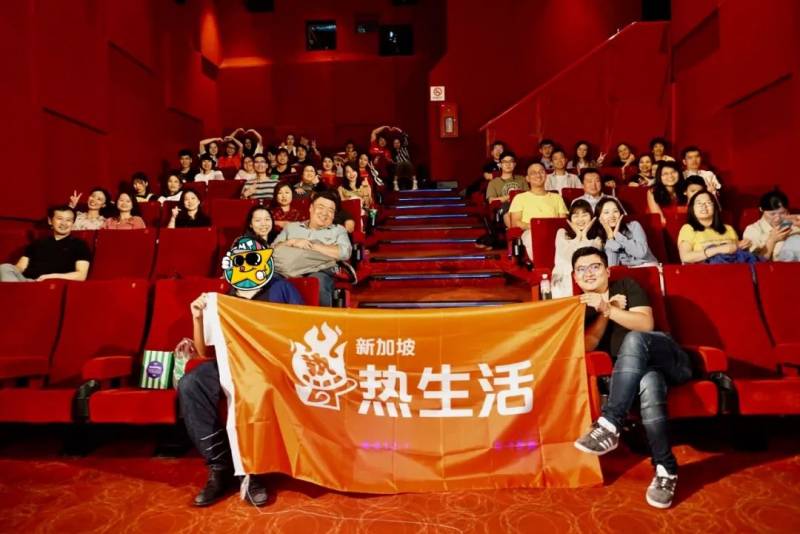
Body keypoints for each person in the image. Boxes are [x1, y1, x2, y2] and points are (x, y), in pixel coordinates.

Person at [180, 237, 303, 508]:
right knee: (191, 383)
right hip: (230, 363)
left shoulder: (283, 288)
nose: (246, 262)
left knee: (251, 389)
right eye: (239, 256)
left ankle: (251, 470)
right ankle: (220, 465)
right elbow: (204, 352)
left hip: (270, 365)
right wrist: (197, 317)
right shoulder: (224, 298)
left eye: (253, 256)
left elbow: (301, 329)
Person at [571, 246, 691, 509]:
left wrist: (609, 308)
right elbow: (588, 345)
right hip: (637, 376)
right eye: (581, 269)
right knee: (649, 382)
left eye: (595, 266)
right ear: (575, 277)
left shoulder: (626, 285)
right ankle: (666, 469)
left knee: (636, 339)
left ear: (607, 270)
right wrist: (605, 310)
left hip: (667, 357)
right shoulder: (581, 308)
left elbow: (645, 325)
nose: (588, 273)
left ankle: (610, 423)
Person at [272, 191, 354, 306]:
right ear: (311, 208)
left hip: (318, 271)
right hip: (284, 270)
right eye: (321, 207)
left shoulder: (338, 230)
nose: (325, 213)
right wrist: (292, 242)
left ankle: (321, 317)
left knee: (317, 282)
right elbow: (273, 250)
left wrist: (312, 245)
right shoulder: (292, 227)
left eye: (330, 210)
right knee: (268, 280)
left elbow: (344, 252)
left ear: (334, 215)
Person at [0, 205, 91, 282]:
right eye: (59, 219)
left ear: (73, 223)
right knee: (4, 268)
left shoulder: (80, 245)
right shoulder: (37, 243)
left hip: (52, 284)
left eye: (68, 220)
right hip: (26, 282)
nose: (64, 223)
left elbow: (81, 275)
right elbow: (20, 267)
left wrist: (50, 277)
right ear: (50, 221)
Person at [508, 162, 568, 261]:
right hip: (531, 231)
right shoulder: (519, 198)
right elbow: (515, 222)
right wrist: (536, 227)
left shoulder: (557, 197)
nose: (538, 175)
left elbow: (563, 221)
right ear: (527, 178)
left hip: (554, 232)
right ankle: (541, 267)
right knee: (532, 238)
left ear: (546, 175)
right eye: (533, 173)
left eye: (541, 172)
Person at [677, 190, 752, 264]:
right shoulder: (688, 229)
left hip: (732, 268)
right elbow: (685, 257)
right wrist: (720, 249)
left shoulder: (728, 229)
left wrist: (742, 245)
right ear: (692, 208)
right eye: (699, 203)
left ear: (715, 206)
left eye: (708, 203)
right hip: (704, 271)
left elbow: (736, 253)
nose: (704, 206)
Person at [551, 200, 601, 298]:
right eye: (576, 216)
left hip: (589, 278)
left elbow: (589, 259)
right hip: (563, 278)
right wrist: (578, 236)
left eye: (584, 215)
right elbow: (567, 257)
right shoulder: (562, 233)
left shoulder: (597, 239)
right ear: (570, 219)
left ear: (591, 217)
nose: (580, 219)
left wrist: (584, 236)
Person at [594, 197, 658, 267]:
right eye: (606, 212)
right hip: (626, 272)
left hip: (647, 266)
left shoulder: (634, 226)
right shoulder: (599, 240)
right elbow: (613, 267)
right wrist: (611, 238)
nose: (612, 215)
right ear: (599, 218)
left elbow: (641, 253)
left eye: (615, 211)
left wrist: (618, 236)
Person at [744, 189, 800, 261]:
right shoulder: (753, 230)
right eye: (772, 214)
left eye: (782, 213)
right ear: (761, 209)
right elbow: (755, 262)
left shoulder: (796, 223)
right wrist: (772, 240)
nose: (777, 218)